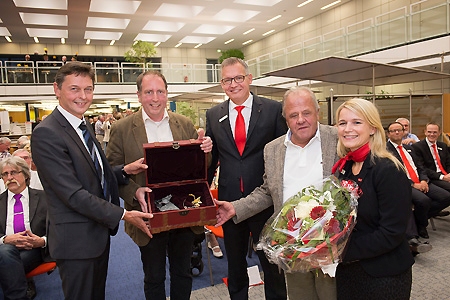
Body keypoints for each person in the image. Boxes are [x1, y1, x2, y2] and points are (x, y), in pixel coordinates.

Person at [30, 61, 154, 300]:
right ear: (57, 89)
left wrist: (124, 171)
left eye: (88, 89)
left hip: (96, 236)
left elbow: (95, 175)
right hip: (75, 243)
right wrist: (123, 214)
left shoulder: (82, 125)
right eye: (74, 89)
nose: (83, 96)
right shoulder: (47, 133)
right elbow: (73, 194)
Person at [215, 86, 339, 300]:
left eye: (306, 113)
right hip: (294, 249)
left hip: (333, 248)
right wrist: (236, 207)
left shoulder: (337, 139)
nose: (301, 119)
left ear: (318, 112)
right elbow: (267, 191)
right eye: (293, 115)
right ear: (285, 119)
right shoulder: (273, 150)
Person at [106, 70, 213, 300]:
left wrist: (206, 151)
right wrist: (134, 191)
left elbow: (201, 167)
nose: (155, 98)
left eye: (160, 91)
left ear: (167, 94)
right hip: (147, 215)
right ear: (139, 95)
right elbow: (111, 173)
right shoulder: (122, 129)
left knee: (182, 273)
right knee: (154, 276)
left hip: (183, 212)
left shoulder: (184, 124)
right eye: (149, 92)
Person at [206, 57, 288, 300]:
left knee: (271, 264)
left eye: (238, 78)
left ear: (249, 79)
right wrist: (203, 195)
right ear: (222, 84)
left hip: (265, 200)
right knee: (236, 265)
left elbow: (284, 154)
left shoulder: (273, 110)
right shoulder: (213, 115)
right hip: (228, 201)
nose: (233, 84)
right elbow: (213, 160)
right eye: (227, 80)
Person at [332, 98, 414, 299]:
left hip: (383, 274)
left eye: (356, 122)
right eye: (342, 123)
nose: (348, 129)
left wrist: (339, 251)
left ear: (372, 128)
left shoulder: (388, 169)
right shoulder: (346, 168)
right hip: (349, 271)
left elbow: (392, 233)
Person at [386, 121, 450, 239]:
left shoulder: (409, 148)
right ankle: (422, 226)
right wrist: (413, 184)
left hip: (421, 181)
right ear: (388, 134)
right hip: (405, 184)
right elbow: (393, 174)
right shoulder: (385, 151)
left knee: (445, 197)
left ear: (403, 132)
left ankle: (418, 219)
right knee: (424, 201)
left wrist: (424, 180)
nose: (396, 132)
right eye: (393, 131)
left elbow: (420, 166)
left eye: (399, 130)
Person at [0, 156, 48, 300]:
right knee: (5, 252)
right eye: (5, 174)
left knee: (6, 262)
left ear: (26, 175)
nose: (10, 177)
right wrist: (5, 239)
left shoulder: (44, 198)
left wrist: (41, 241)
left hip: (33, 249)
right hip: (4, 248)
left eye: (14, 172)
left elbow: (57, 229)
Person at [412, 123, 450, 197]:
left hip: (446, 175)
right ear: (425, 132)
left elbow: (448, 162)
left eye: (435, 132)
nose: (432, 134)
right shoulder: (417, 147)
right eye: (429, 132)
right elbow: (422, 168)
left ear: (439, 133)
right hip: (432, 177)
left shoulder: (443, 145)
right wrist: (442, 177)